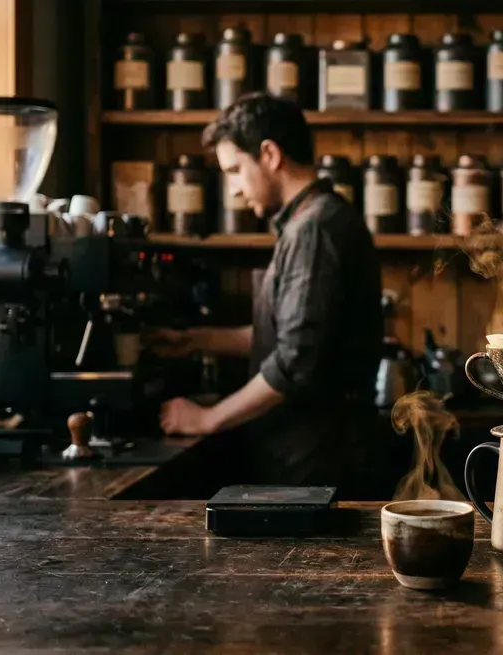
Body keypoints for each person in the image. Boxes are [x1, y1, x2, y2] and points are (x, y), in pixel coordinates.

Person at [147, 93, 383, 493]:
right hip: (308, 455)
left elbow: (294, 361)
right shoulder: (314, 220)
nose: (234, 189)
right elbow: (286, 335)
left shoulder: (313, 230)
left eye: (236, 169)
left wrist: (207, 418)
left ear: (270, 154)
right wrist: (194, 341)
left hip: (317, 460)